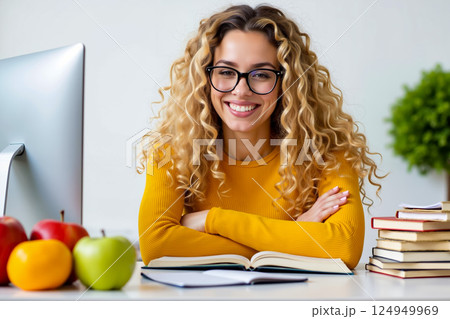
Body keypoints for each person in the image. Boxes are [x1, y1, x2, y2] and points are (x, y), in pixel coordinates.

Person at [138, 4, 383, 269]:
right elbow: (156, 246)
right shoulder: (172, 153)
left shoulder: (329, 155)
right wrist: (293, 235)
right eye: (226, 72)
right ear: (204, 78)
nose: (241, 90)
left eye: (261, 75)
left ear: (287, 82)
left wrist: (211, 220)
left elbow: (343, 247)